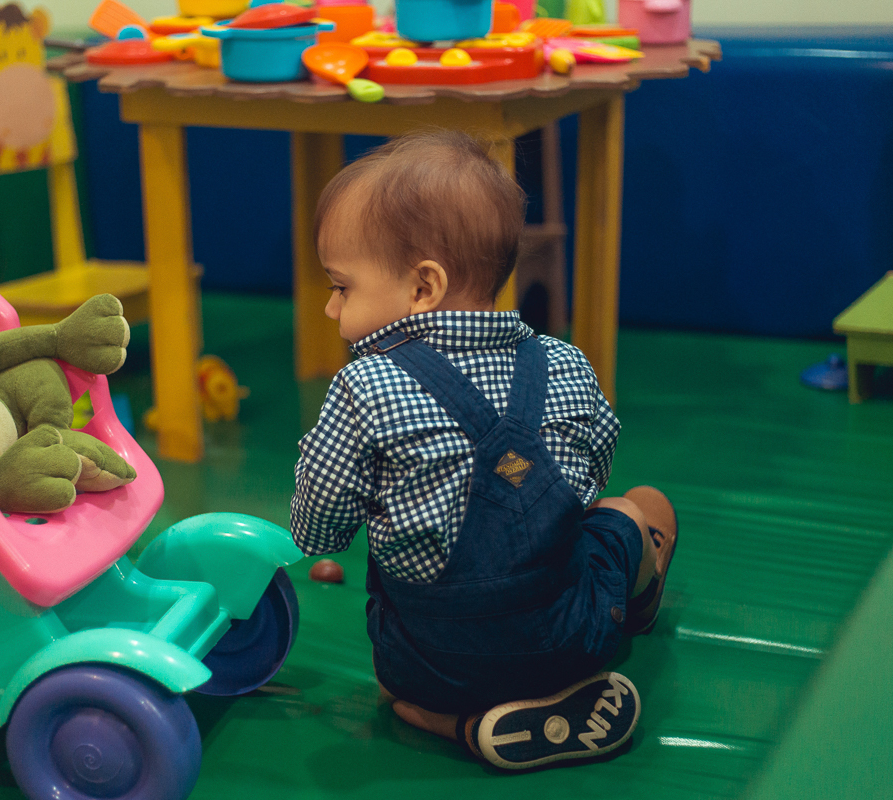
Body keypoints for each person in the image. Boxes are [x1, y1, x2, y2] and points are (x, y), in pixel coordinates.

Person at [290, 129, 679, 771]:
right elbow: (587, 483)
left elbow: (317, 528)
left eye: (341, 286)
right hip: (570, 640)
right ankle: (626, 617)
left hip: (424, 661)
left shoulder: (363, 386)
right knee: (636, 509)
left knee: (400, 670)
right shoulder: (562, 361)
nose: (332, 308)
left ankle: (457, 723)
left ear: (423, 288)